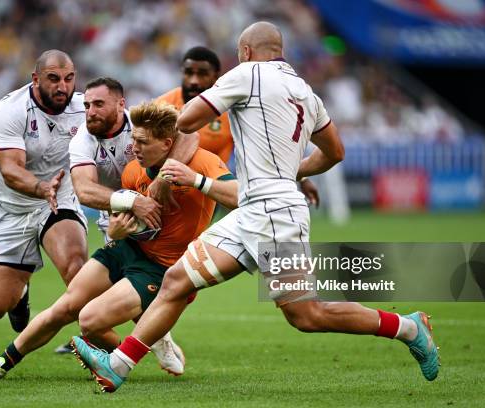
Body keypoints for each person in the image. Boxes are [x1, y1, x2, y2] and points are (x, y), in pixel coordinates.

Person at [70, 22, 440, 393]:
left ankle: (408, 328)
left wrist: (184, 112)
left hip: (274, 214)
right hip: (254, 207)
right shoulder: (306, 92)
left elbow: (187, 120)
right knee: (177, 280)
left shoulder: (246, 74)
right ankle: (117, 366)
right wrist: (290, 170)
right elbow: (335, 152)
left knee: (306, 315)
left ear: (245, 52)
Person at [0, 80, 203, 381]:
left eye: (98, 105)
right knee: (68, 306)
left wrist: (164, 177)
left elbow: (190, 134)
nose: (89, 112)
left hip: (161, 253)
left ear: (121, 105)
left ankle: (142, 345)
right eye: (87, 105)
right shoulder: (83, 139)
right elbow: (84, 190)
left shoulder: (144, 125)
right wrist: (134, 201)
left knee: (99, 314)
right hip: (118, 231)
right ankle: (3, 362)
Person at [0, 49, 88, 334]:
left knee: (76, 269)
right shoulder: (11, 109)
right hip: (12, 208)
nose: (63, 87)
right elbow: (11, 170)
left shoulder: (86, 108)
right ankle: (20, 293)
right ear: (36, 79)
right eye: (53, 79)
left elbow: (125, 127)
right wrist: (40, 187)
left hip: (58, 202)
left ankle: (105, 349)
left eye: (69, 78)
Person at [157, 46, 319, 206]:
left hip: (207, 192)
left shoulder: (232, 110)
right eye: (189, 73)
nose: (194, 81)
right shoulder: (161, 106)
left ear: (215, 77)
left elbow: (266, 149)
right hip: (162, 185)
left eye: (202, 74)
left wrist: (302, 178)